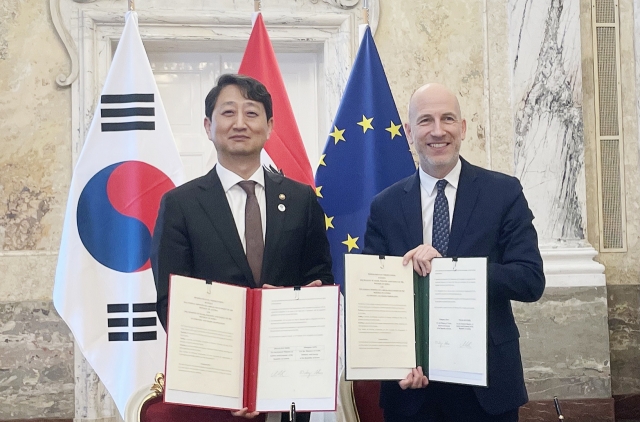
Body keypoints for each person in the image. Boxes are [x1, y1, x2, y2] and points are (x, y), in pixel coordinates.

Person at [151, 74, 333, 422]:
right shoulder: (180, 205)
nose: (239, 123)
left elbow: (320, 278)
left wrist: (301, 298)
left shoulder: (301, 199)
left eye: (251, 113)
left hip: (287, 382)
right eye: (228, 112)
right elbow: (170, 303)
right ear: (208, 125)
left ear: (269, 127)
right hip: (210, 392)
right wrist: (225, 380)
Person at [362, 83, 545, 422]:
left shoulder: (503, 192)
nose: (437, 130)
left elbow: (530, 280)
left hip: (488, 389)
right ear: (409, 131)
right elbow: (374, 300)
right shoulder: (384, 206)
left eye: (447, 119)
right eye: (425, 120)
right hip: (412, 390)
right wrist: (396, 361)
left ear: (462, 128)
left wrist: (451, 272)